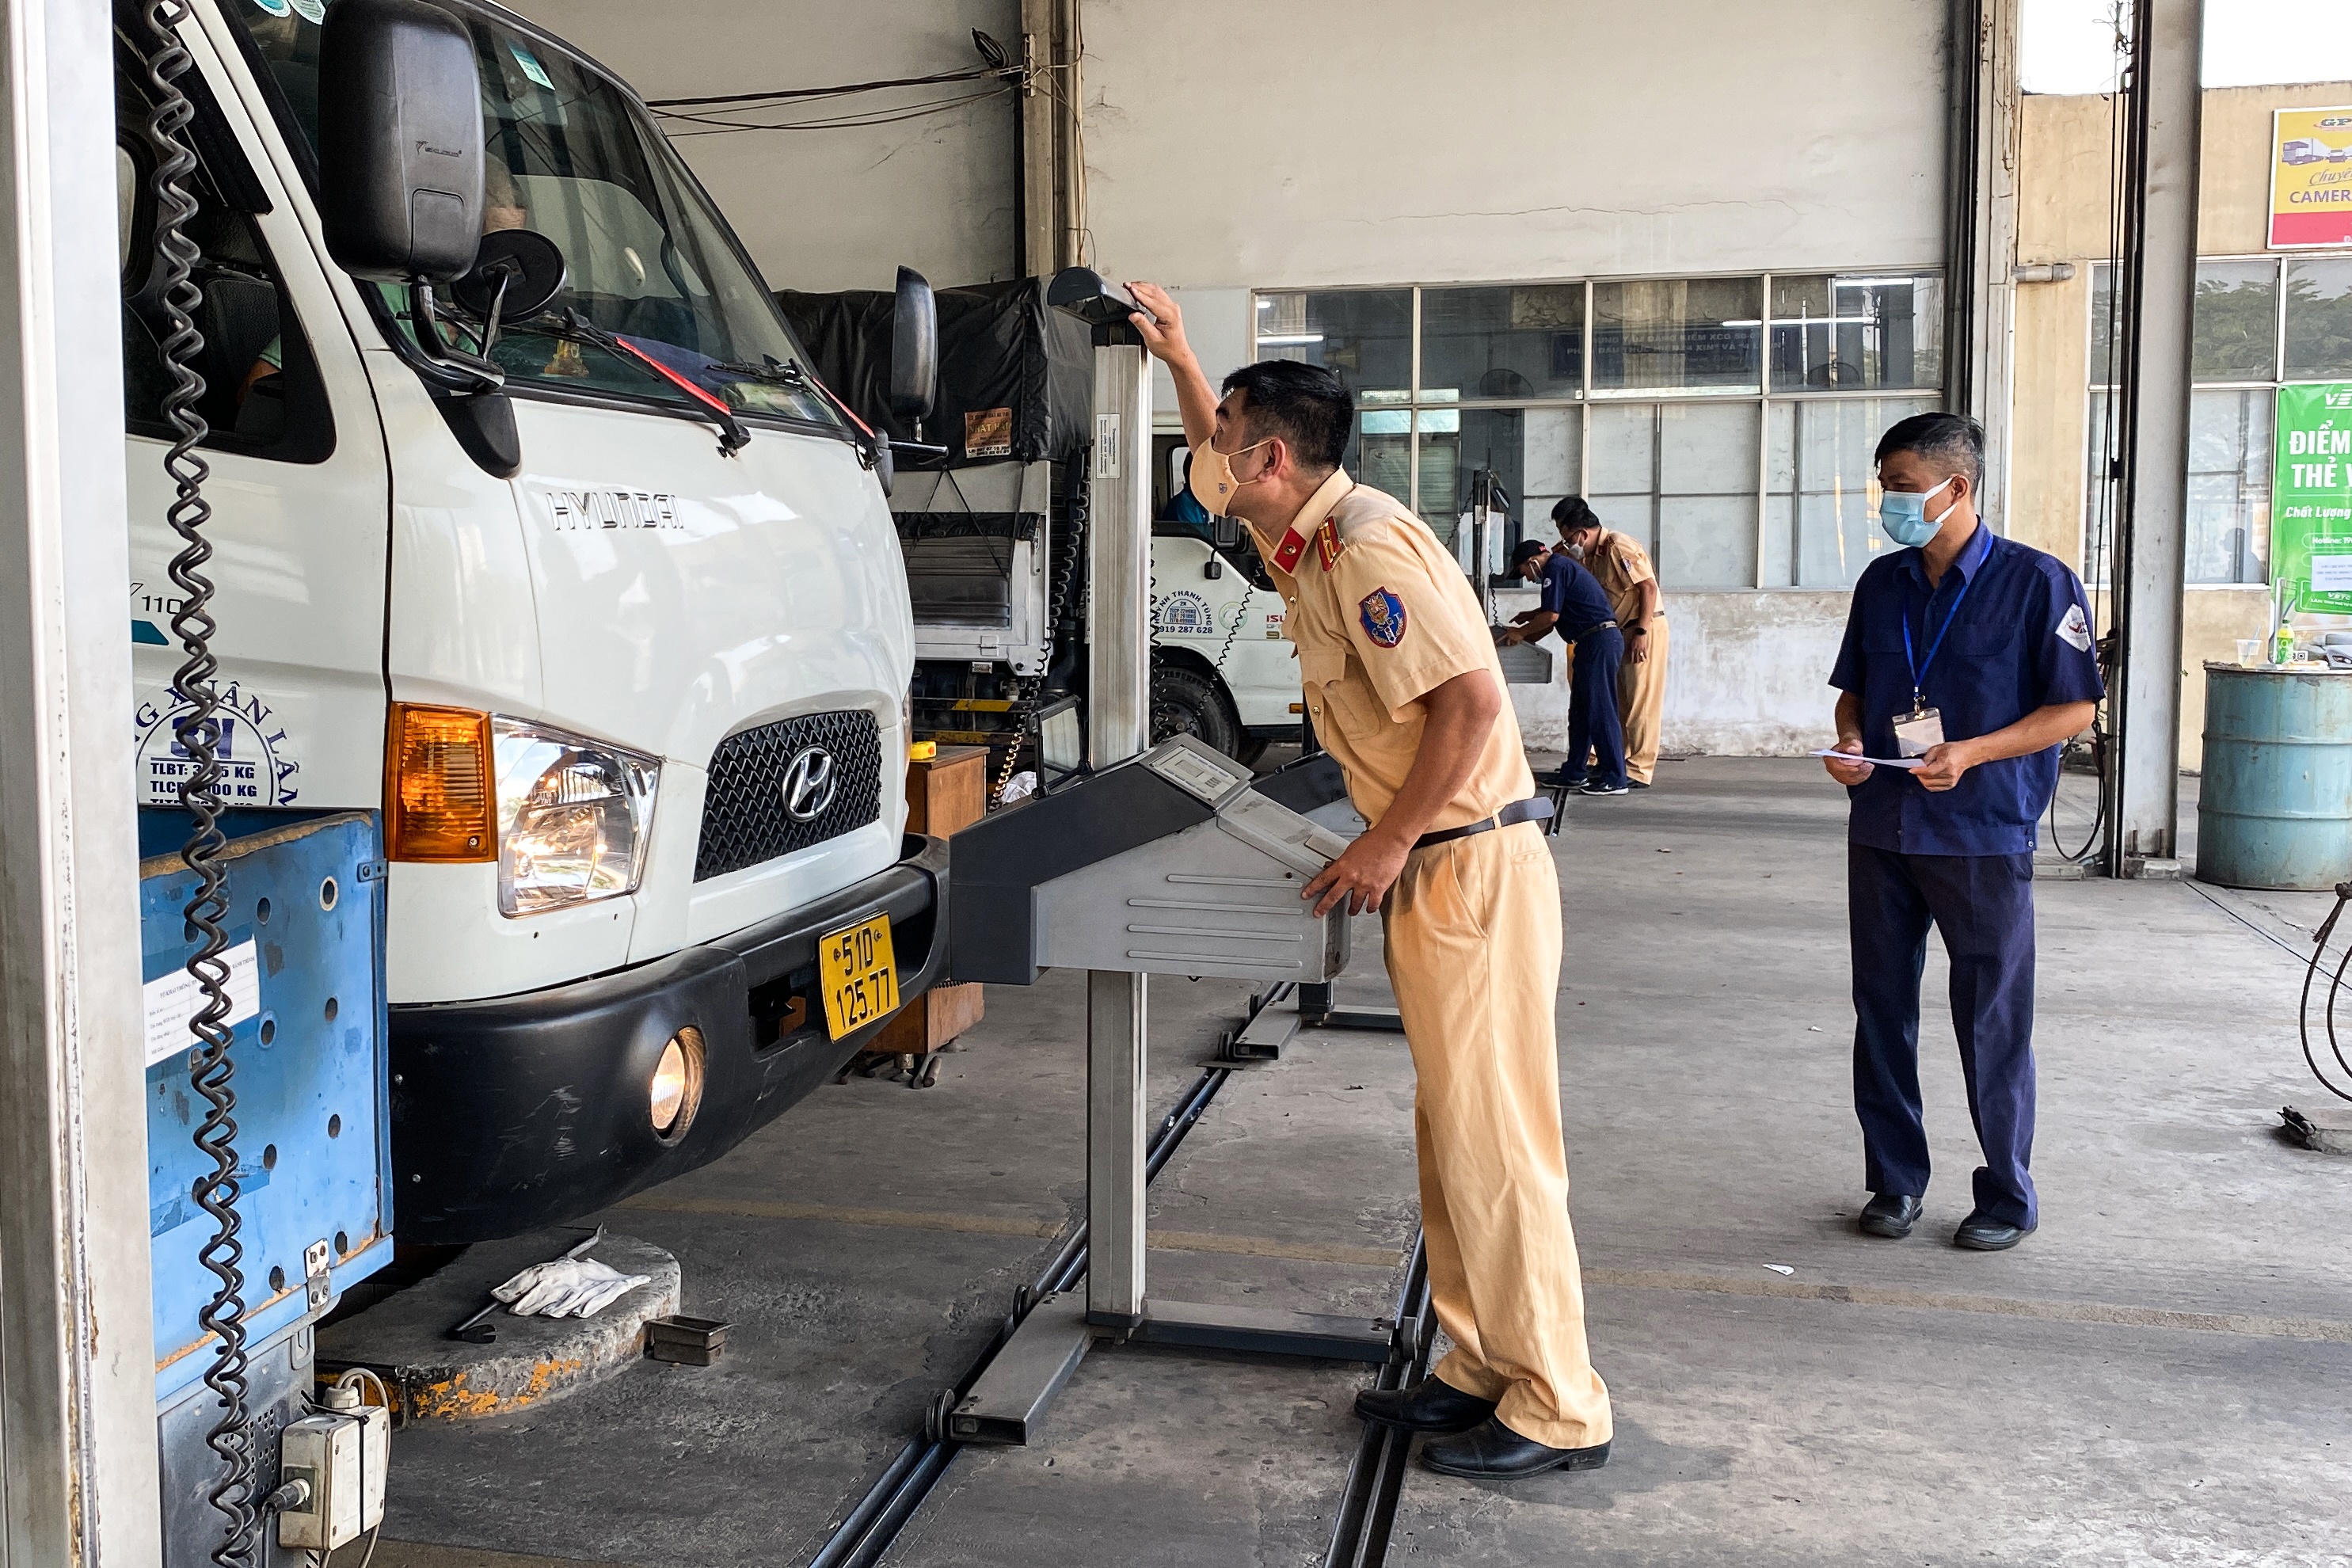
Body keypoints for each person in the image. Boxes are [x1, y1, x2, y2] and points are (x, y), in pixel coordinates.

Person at [1127, 280, 1613, 1480]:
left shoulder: (1368, 548)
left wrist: (1385, 841)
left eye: (1228, 447)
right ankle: (1473, 1367)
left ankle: (1554, 1400)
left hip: (1467, 865)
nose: (1209, 464)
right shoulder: (1300, 534)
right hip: (1437, 871)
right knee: (1451, 1135)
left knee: (1498, 1141)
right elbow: (1207, 444)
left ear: (1274, 457)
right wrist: (1185, 354)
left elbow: (1468, 705)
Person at [1821, 412, 2102, 1252]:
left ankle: (2007, 1194)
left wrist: (1974, 752)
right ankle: (1895, 1181)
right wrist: (1848, 742)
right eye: (1886, 489)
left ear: (1957, 487)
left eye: (1903, 488)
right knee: (1882, 1010)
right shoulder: (1883, 584)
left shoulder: (2037, 583)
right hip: (1883, 825)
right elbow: (1856, 695)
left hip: (1980, 832)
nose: (1890, 505)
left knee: (1991, 1017)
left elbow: (2075, 708)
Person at [1552, 499, 1667, 788]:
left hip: (1642, 627)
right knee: (1615, 701)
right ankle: (1613, 761)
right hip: (1615, 632)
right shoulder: (1590, 556)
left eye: (1568, 539)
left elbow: (1648, 587)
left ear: (1581, 533)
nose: (1567, 545)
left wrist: (1641, 631)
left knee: (1639, 700)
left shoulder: (1618, 546)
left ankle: (1638, 769)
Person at [1500, 539, 1627, 795]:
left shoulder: (1555, 569)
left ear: (1533, 562)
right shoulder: (1561, 568)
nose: (1527, 578)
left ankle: (1615, 778)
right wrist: (1528, 623)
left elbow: (1551, 617)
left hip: (1598, 642)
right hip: (1590, 643)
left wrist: (1521, 633)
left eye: (1524, 572)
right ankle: (1574, 772)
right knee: (1581, 713)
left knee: (1600, 710)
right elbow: (1549, 615)